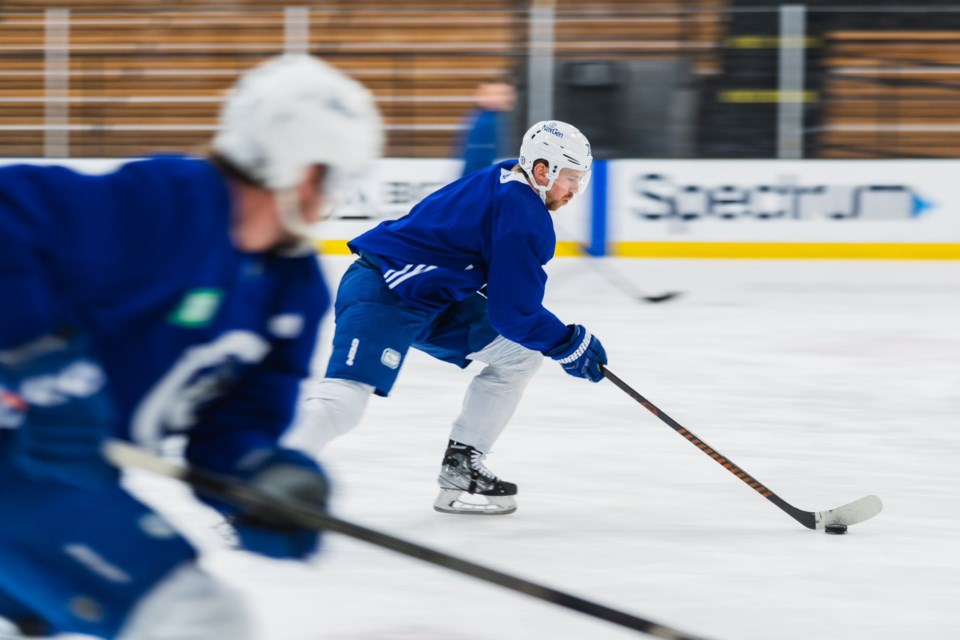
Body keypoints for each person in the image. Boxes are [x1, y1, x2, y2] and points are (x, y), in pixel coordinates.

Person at [0, 54, 382, 639]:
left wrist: (258, 475)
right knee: (197, 619)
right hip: (20, 466)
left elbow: (237, 421)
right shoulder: (165, 204)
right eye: (333, 179)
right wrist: (41, 365)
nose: (328, 199)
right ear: (304, 172)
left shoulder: (293, 290)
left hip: (63, 481)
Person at [285, 120, 607, 516]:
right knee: (344, 401)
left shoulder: (507, 176)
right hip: (385, 289)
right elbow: (513, 314)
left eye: (581, 180)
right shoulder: (525, 215)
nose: (575, 190)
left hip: (434, 298)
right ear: (542, 171)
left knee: (519, 357)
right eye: (571, 178)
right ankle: (263, 484)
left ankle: (462, 465)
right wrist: (567, 342)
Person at [457, 78, 517, 177]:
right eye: (502, 94)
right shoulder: (485, 121)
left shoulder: (494, 118)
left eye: (509, 93)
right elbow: (477, 161)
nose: (510, 98)